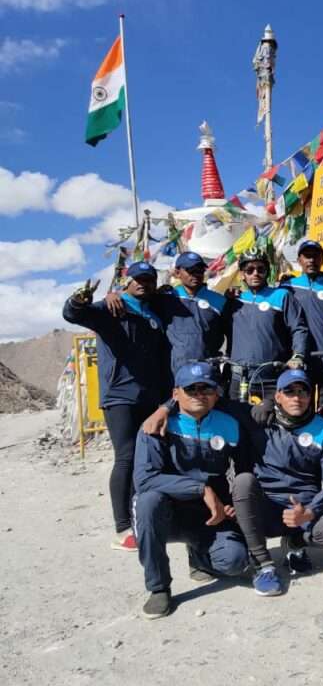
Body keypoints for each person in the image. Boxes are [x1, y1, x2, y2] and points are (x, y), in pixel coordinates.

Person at [62, 261, 173, 551]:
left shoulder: (154, 311)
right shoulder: (110, 307)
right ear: (127, 279)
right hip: (120, 397)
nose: (143, 283)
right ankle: (123, 527)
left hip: (151, 398)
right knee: (125, 457)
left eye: (148, 279)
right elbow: (74, 314)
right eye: (137, 278)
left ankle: (144, 516)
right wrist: (78, 299)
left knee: (147, 457)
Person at [132, 362, 249, 618]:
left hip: (211, 512)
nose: (199, 394)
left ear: (217, 393)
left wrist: (233, 503)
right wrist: (200, 489)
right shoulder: (156, 426)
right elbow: (145, 480)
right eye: (191, 389)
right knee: (147, 502)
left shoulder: (229, 424)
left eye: (206, 388)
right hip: (169, 509)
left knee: (235, 562)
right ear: (176, 394)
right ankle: (159, 588)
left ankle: (199, 555)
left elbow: (243, 472)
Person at [230, 369, 323, 596]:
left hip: (302, 508)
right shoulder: (259, 419)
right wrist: (165, 408)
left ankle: (295, 544)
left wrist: (310, 512)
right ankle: (264, 565)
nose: (296, 397)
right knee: (243, 482)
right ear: (278, 397)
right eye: (289, 391)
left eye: (302, 391)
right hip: (266, 506)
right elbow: (212, 401)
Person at [106, 252, 227, 373]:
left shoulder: (220, 300)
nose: (196, 274)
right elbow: (135, 298)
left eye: (199, 270)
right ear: (177, 273)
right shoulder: (164, 297)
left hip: (208, 370)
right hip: (173, 372)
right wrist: (113, 295)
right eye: (191, 270)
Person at [225, 248, 308, 400]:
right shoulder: (234, 301)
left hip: (272, 378)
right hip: (239, 378)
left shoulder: (282, 296)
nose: (255, 273)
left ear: (267, 272)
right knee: (237, 420)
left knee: (269, 420)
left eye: (260, 269)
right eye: (249, 270)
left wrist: (298, 355)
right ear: (242, 274)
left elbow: (299, 328)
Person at [279, 240, 323, 406]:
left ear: (322, 260)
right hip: (297, 361)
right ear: (299, 260)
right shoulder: (287, 287)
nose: (311, 260)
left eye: (315, 256)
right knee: (301, 407)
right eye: (307, 256)